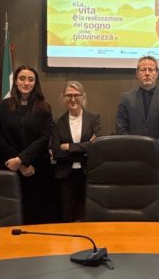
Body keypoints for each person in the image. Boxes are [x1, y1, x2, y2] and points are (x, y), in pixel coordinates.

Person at [0, 65, 57, 224]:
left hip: (37, 169)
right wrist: (18, 163)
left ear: (35, 83)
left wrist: (22, 159)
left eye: (30, 79)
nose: (26, 83)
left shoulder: (44, 108)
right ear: (15, 81)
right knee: (11, 214)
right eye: (22, 78)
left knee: (37, 215)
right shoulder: (2, 106)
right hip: (9, 167)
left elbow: (44, 138)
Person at [115, 55, 159, 202]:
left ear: (157, 73)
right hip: (133, 159)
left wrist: (152, 147)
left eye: (151, 69)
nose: (147, 73)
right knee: (135, 201)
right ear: (137, 73)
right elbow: (121, 128)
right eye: (143, 69)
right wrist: (137, 147)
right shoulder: (126, 98)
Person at [51, 81, 101, 222]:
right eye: (69, 95)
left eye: (76, 95)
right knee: (67, 215)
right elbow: (56, 152)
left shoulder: (94, 119)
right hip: (65, 175)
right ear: (63, 98)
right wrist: (85, 147)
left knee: (90, 214)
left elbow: (97, 146)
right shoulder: (57, 123)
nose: (73, 99)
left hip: (88, 173)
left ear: (83, 96)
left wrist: (69, 147)